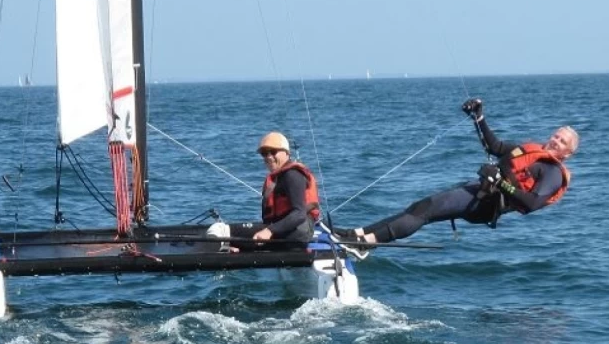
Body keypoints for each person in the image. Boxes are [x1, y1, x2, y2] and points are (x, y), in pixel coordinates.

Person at [335, 98, 579, 244]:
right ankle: (357, 234)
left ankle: (365, 243)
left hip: (487, 205)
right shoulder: (530, 151)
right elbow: (495, 147)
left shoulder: (553, 172)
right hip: (481, 192)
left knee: (426, 210)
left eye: (562, 142)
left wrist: (500, 182)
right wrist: (479, 117)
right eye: (556, 136)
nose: (556, 141)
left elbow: (532, 203)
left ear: (567, 154)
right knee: (419, 207)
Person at [208, 131, 321, 249]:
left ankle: (202, 255)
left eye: (273, 152)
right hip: (284, 232)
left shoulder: (292, 175)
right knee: (230, 235)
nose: (269, 157)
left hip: (294, 234)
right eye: (264, 154)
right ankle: (228, 247)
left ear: (287, 153)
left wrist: (269, 231)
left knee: (220, 230)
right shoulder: (279, 177)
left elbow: (299, 214)